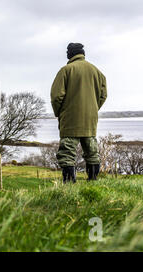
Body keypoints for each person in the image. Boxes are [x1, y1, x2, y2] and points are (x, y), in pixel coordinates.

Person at [50, 43, 107, 183]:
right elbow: (103, 95)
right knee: (92, 151)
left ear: (70, 54)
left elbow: (57, 96)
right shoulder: (97, 72)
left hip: (70, 119)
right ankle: (93, 180)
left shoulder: (66, 70)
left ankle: (69, 182)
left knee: (67, 152)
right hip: (90, 119)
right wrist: (93, 109)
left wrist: (60, 112)